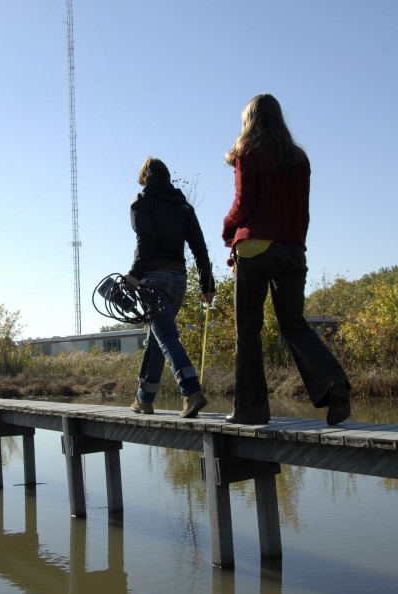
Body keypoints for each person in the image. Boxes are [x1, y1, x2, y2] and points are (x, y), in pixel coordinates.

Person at [221, 94, 350, 425]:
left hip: (256, 248)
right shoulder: (298, 157)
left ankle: (249, 411)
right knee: (293, 323)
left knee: (247, 331)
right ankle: (334, 382)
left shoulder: (247, 151)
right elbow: (303, 212)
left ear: (249, 119)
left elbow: (244, 201)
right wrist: (296, 244)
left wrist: (227, 227)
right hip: (293, 249)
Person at [125, 157, 215, 419]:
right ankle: (144, 399)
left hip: (153, 281)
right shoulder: (183, 206)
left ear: (145, 178)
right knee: (156, 338)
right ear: (166, 177)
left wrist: (134, 276)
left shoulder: (141, 203)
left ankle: (191, 391)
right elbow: (199, 247)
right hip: (178, 281)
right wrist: (207, 285)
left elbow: (146, 240)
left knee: (166, 337)